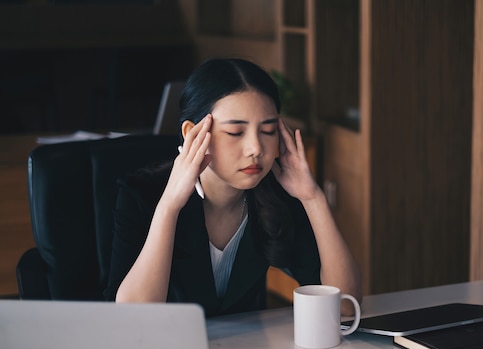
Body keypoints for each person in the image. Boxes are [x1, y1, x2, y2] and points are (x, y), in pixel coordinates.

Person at [104, 58, 361, 317]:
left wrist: (313, 197)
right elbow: (132, 317)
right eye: (236, 132)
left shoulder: (274, 195)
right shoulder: (141, 195)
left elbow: (345, 306)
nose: (256, 149)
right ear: (193, 133)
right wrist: (169, 207)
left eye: (268, 131)